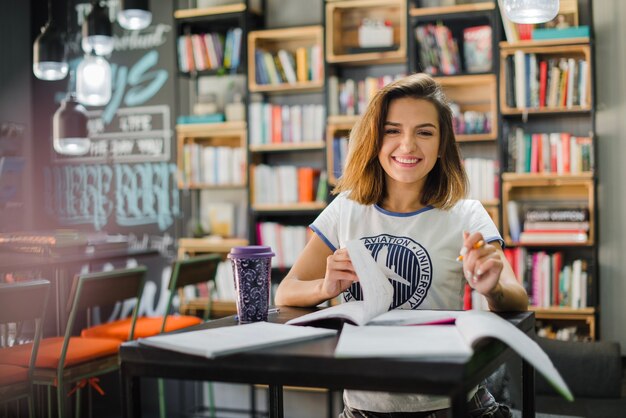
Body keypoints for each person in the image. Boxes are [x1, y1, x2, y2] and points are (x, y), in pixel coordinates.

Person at [275, 73, 528, 417]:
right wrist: (325, 286)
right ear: (374, 140)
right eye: (392, 131)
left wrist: (493, 287)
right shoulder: (345, 209)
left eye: (424, 132)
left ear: (442, 146)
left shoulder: (467, 213)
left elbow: (517, 297)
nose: (408, 146)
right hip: (362, 408)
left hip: (449, 405)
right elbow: (286, 292)